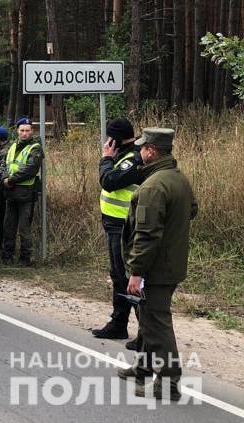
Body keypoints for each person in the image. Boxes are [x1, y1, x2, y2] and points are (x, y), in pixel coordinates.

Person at [117, 128, 198, 401]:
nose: (139, 151)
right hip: (170, 262)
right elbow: (192, 210)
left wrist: (137, 271)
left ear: (151, 150)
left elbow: (147, 234)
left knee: (157, 322)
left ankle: (168, 382)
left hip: (156, 268)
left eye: (142, 147)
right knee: (148, 316)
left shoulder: (154, 185)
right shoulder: (178, 178)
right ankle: (143, 367)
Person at [92, 118, 144, 344]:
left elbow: (110, 181)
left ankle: (146, 334)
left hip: (123, 226)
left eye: (109, 137)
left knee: (128, 278)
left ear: (115, 139)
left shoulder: (132, 159)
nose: (106, 141)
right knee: (118, 276)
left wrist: (105, 159)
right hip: (113, 223)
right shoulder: (124, 155)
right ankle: (119, 324)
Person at [1, 117, 43, 266]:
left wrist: (10, 180)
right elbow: (4, 163)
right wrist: (5, 177)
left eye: (27, 130)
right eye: (22, 130)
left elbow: (30, 169)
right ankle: (7, 256)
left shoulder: (35, 148)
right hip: (11, 193)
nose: (25, 133)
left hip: (26, 193)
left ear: (32, 131)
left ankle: (25, 259)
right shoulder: (12, 146)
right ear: (17, 131)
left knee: (24, 228)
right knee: (8, 227)